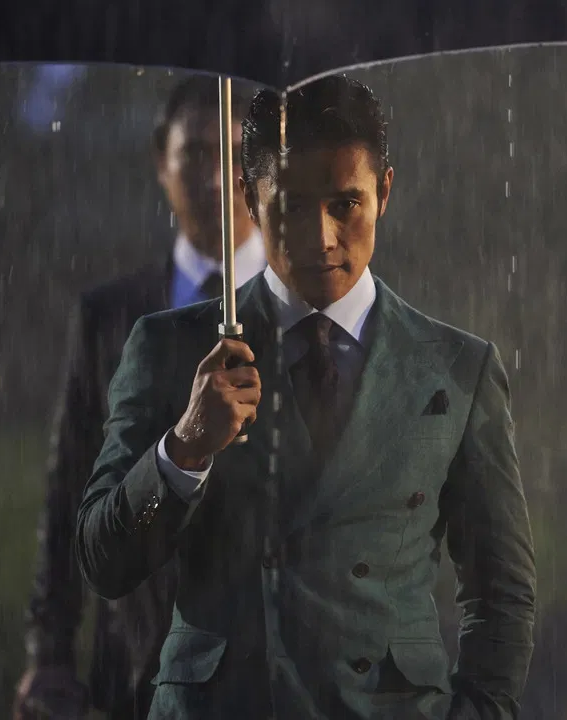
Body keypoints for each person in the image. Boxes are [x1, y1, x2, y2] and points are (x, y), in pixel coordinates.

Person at [74, 75, 538, 719]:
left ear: (385, 192)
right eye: (291, 207)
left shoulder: (457, 368)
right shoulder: (169, 348)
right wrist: (184, 449)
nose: (321, 238)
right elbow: (102, 562)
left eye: (346, 203)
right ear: (248, 197)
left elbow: (502, 591)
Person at [15, 77, 264, 720]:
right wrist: (49, 652)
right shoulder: (111, 318)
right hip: (138, 660)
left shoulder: (307, 310)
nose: (217, 180)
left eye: (236, 157)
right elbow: (72, 486)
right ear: (161, 160)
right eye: (196, 154)